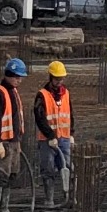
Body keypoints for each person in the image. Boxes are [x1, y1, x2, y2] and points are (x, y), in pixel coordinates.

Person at [0, 56, 27, 212]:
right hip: (4, 142)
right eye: (17, 77)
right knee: (0, 175)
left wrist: (18, 140)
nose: (19, 80)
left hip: (14, 141)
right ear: (9, 75)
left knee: (12, 174)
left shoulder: (13, 91)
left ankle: (4, 207)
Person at [34, 59, 74, 204]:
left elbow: (70, 114)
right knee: (48, 169)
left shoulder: (66, 93)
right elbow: (39, 117)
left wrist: (71, 134)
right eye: (57, 79)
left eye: (61, 78)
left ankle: (69, 198)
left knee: (68, 167)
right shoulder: (42, 95)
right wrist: (50, 135)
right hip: (47, 140)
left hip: (64, 137)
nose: (59, 81)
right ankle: (49, 199)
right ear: (50, 77)